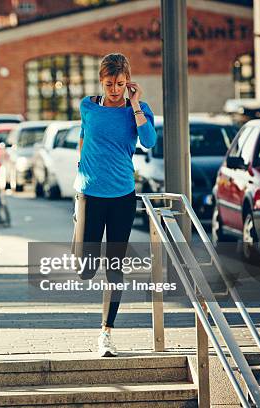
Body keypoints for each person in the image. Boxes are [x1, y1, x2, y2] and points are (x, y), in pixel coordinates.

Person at [74, 53, 157, 357]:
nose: (114, 89)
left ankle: (106, 333)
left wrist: (135, 105)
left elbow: (148, 141)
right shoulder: (88, 106)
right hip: (90, 195)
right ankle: (78, 229)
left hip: (122, 197)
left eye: (120, 84)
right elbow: (84, 137)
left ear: (128, 82)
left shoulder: (139, 110)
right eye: (109, 83)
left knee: (114, 268)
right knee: (85, 269)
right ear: (101, 81)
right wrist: (80, 170)